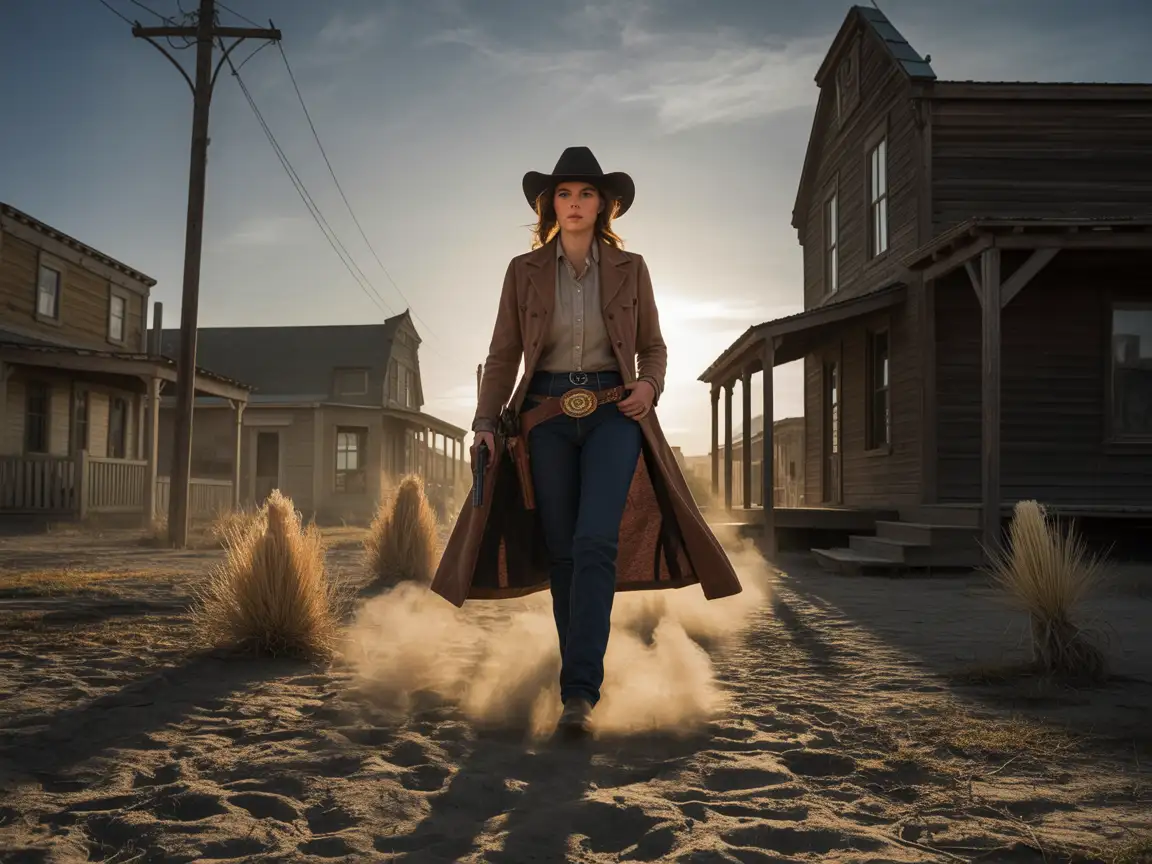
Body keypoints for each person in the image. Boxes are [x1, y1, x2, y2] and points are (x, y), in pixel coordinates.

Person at [431, 147, 743, 737]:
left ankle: (578, 693)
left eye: (587, 195)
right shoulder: (521, 271)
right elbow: (502, 355)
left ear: (605, 206)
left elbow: (654, 346)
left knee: (596, 540)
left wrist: (649, 385)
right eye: (565, 194)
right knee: (564, 553)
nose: (574, 204)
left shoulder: (633, 268)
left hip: (613, 415)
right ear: (551, 204)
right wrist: (483, 420)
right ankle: (578, 679)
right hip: (543, 419)